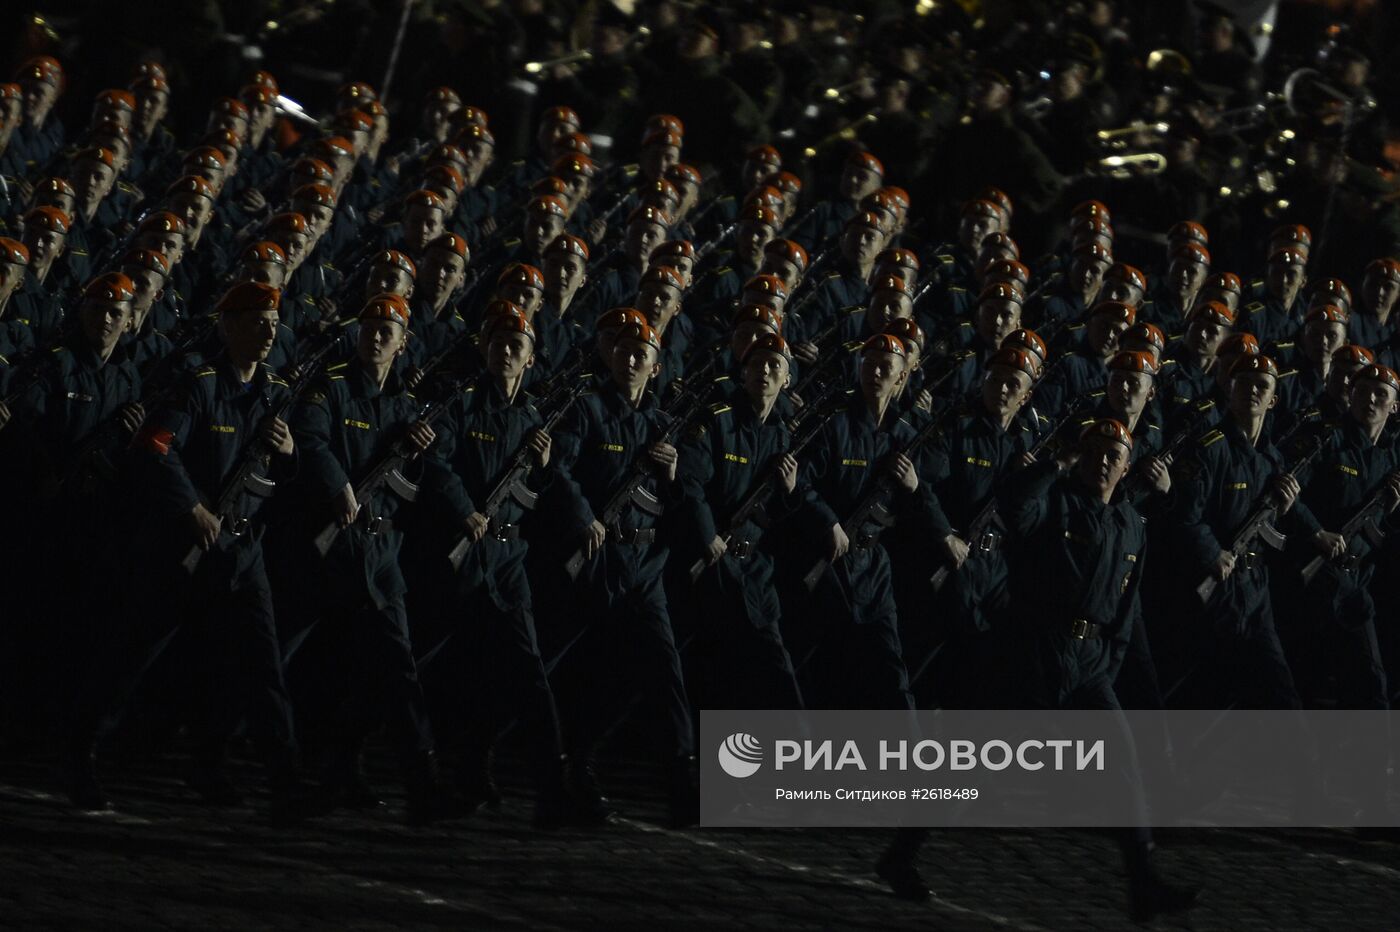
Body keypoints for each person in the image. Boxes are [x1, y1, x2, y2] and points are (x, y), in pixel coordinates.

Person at [678, 333, 805, 709]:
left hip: (753, 568)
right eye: (758, 364)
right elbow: (690, 482)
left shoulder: (782, 434)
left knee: (773, 660)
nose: (765, 371)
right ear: (743, 371)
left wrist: (790, 490)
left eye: (775, 366)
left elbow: (779, 517)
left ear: (787, 379)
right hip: (713, 563)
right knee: (712, 669)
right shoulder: (718, 421)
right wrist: (707, 536)